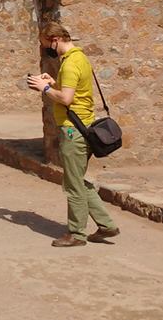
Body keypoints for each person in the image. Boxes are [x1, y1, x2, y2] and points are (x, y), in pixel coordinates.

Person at [27, 22, 119, 247]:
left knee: (72, 185)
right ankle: (106, 225)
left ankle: (76, 234)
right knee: (76, 180)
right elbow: (74, 92)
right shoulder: (80, 58)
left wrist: (45, 89)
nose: (46, 49)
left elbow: (67, 99)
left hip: (72, 131)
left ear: (55, 40)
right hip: (83, 127)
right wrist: (54, 82)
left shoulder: (69, 64)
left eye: (46, 44)